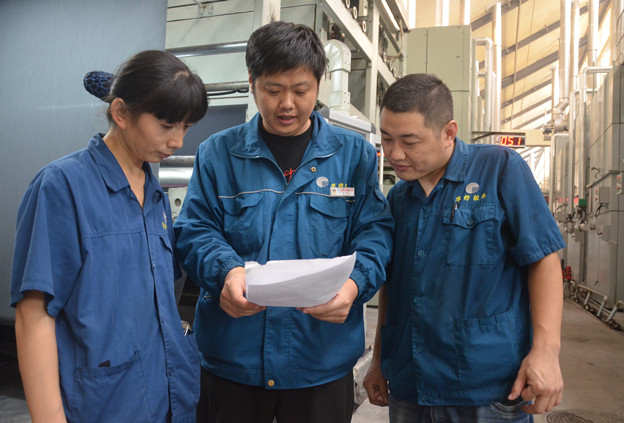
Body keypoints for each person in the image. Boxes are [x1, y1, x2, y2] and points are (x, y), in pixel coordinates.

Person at [173, 20, 394, 423]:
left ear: (319, 85)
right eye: (273, 90)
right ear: (252, 82)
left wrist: (353, 285)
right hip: (234, 361)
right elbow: (194, 229)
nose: (287, 104)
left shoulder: (353, 156)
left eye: (300, 90)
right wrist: (226, 273)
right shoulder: (218, 154)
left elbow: (375, 233)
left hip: (319, 360)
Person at [11, 50, 208, 423]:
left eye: (185, 126)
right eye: (167, 125)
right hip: (103, 404)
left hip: (166, 396)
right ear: (121, 113)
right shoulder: (62, 186)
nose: (178, 141)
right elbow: (34, 314)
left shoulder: (154, 193)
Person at [363, 73, 566, 422]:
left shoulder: (500, 169)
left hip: (487, 385)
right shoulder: (398, 198)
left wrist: (546, 352)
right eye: (387, 138)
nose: (395, 153)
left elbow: (543, 259)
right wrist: (379, 361)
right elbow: (392, 288)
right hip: (411, 383)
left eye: (410, 141)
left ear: (449, 132)